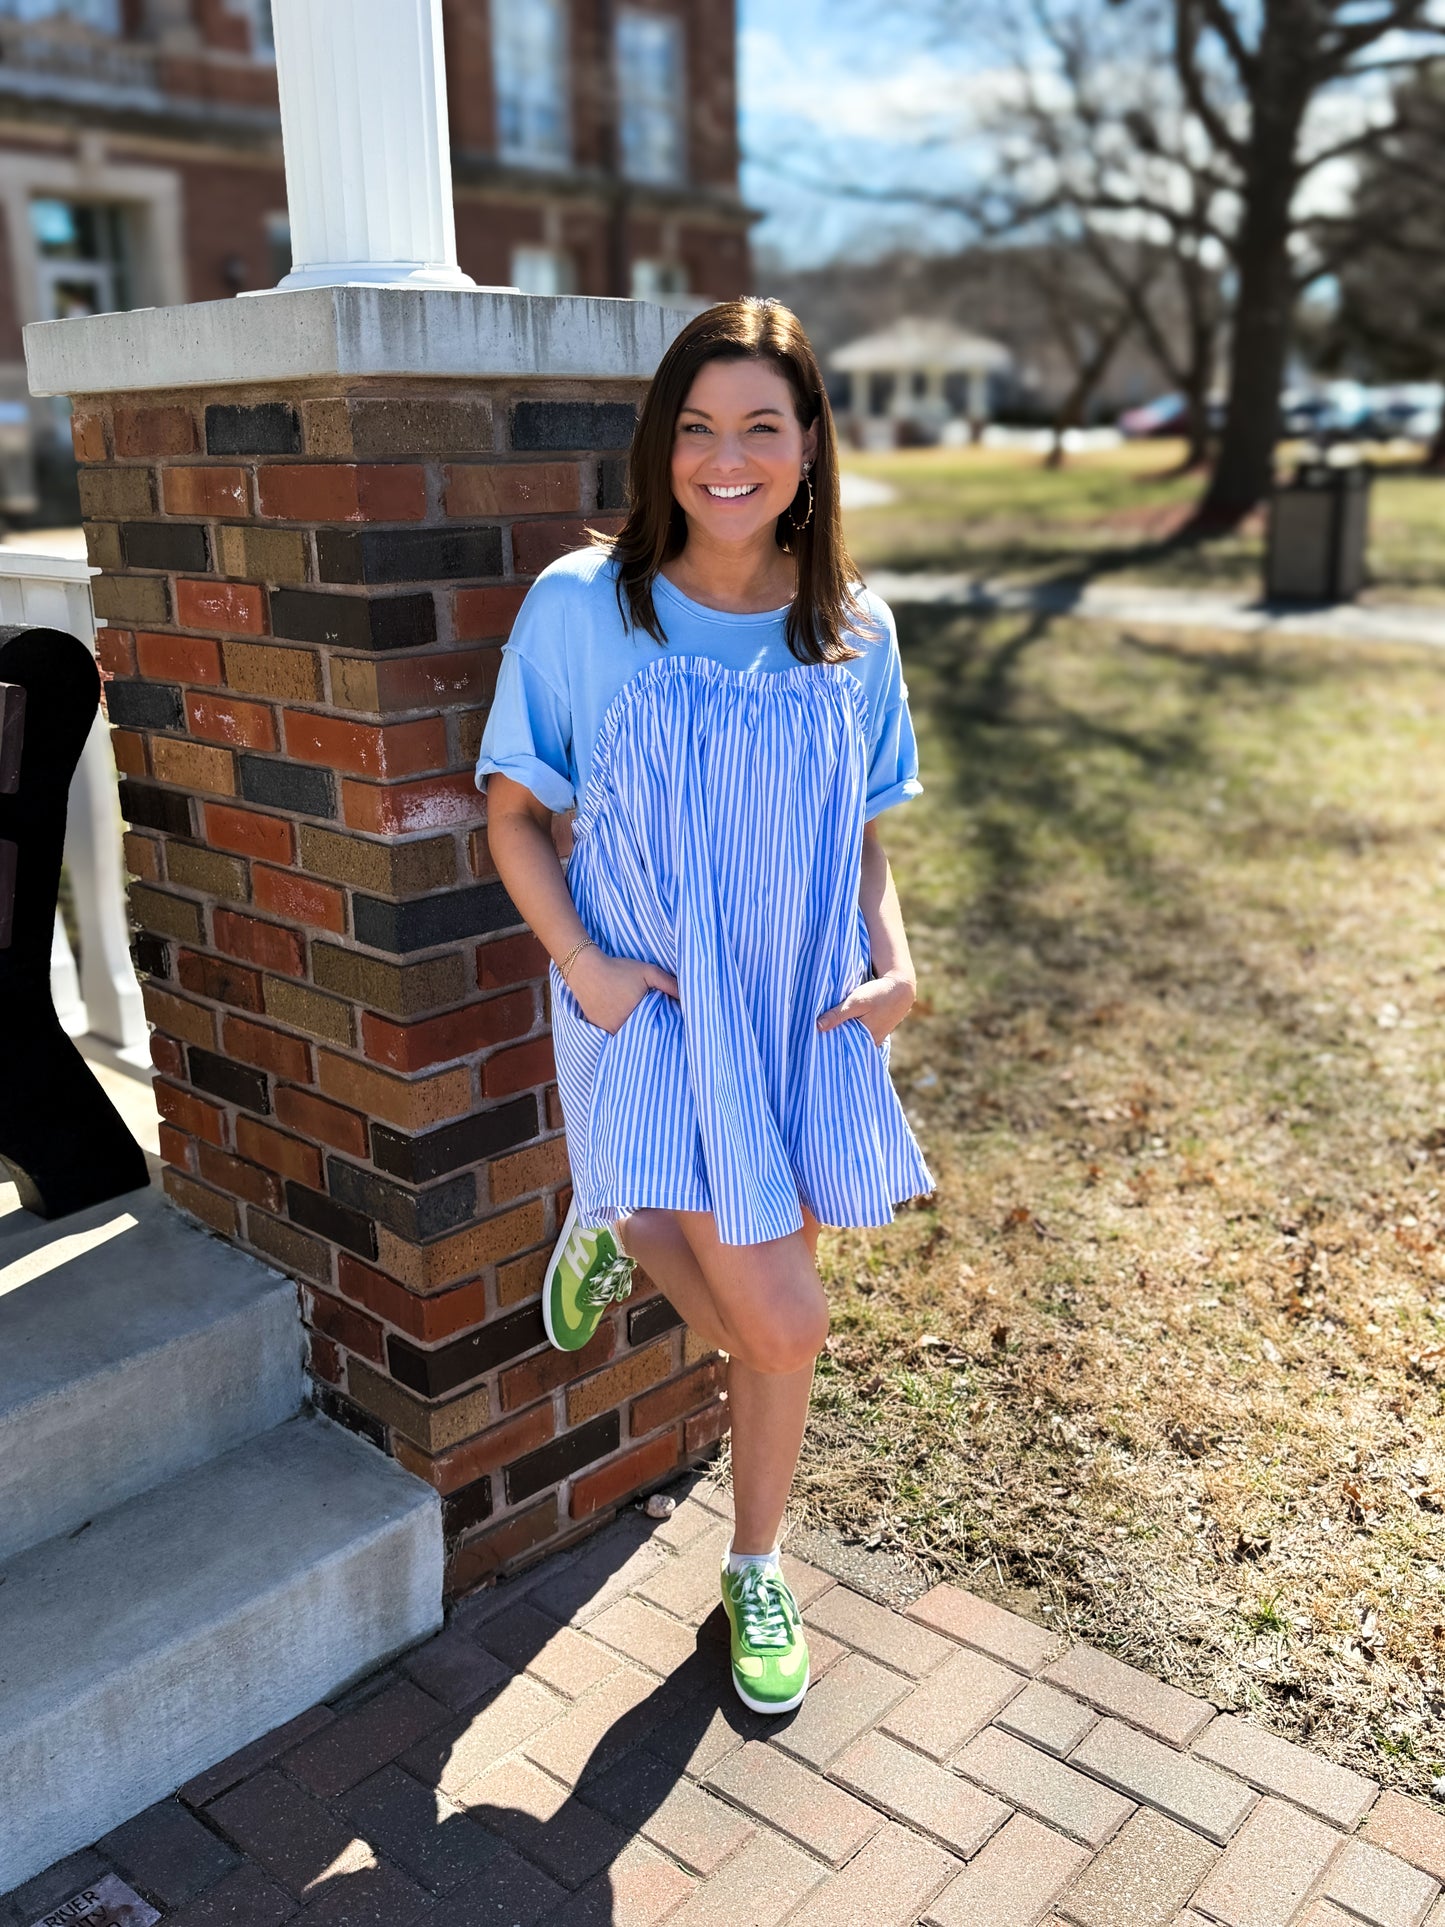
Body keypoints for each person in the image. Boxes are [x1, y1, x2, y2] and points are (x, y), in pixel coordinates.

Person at [475, 296, 934, 1716]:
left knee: (769, 1310)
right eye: (695, 428)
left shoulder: (853, 627)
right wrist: (585, 969)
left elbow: (861, 832)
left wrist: (893, 958)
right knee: (784, 1326)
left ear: (808, 446)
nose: (724, 458)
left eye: (759, 427)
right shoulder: (581, 604)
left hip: (793, 1019)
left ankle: (752, 1562)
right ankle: (622, 1207)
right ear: (657, 443)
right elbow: (510, 818)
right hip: (646, 1005)